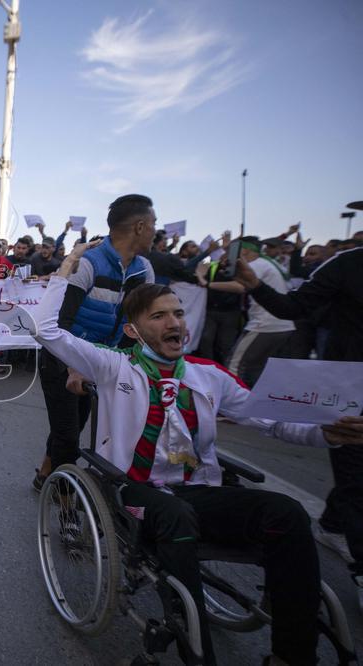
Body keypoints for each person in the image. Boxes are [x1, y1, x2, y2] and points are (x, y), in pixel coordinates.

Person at [32, 244, 363, 665]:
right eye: (159, 317)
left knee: (288, 513)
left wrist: (329, 435)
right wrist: (64, 270)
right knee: (175, 515)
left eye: (178, 314)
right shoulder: (113, 366)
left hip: (197, 491)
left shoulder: (210, 377)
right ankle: (197, 654)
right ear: (133, 330)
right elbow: (47, 331)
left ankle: (293, 654)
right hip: (133, 493)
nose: (174, 324)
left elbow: (273, 422)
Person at [233, 245, 363, 612]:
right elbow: (293, 308)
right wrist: (254, 284)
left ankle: (335, 522)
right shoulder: (348, 263)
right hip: (351, 386)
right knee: (357, 475)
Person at [33, 194, 155, 492]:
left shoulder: (144, 271)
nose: (155, 230)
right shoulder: (88, 264)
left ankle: (44, 474)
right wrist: (74, 365)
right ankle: (64, 507)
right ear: (139, 227)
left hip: (102, 363)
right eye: (153, 223)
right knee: (70, 437)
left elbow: (139, 327)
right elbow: (59, 323)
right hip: (62, 359)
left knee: (70, 426)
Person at [213, 237, 295, 386]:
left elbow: (240, 286)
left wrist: (207, 284)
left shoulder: (256, 265)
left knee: (234, 366)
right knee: (255, 368)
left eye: (233, 251)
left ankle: (230, 405)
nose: (230, 254)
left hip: (264, 325)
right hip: (282, 326)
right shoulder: (269, 263)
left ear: (244, 250)